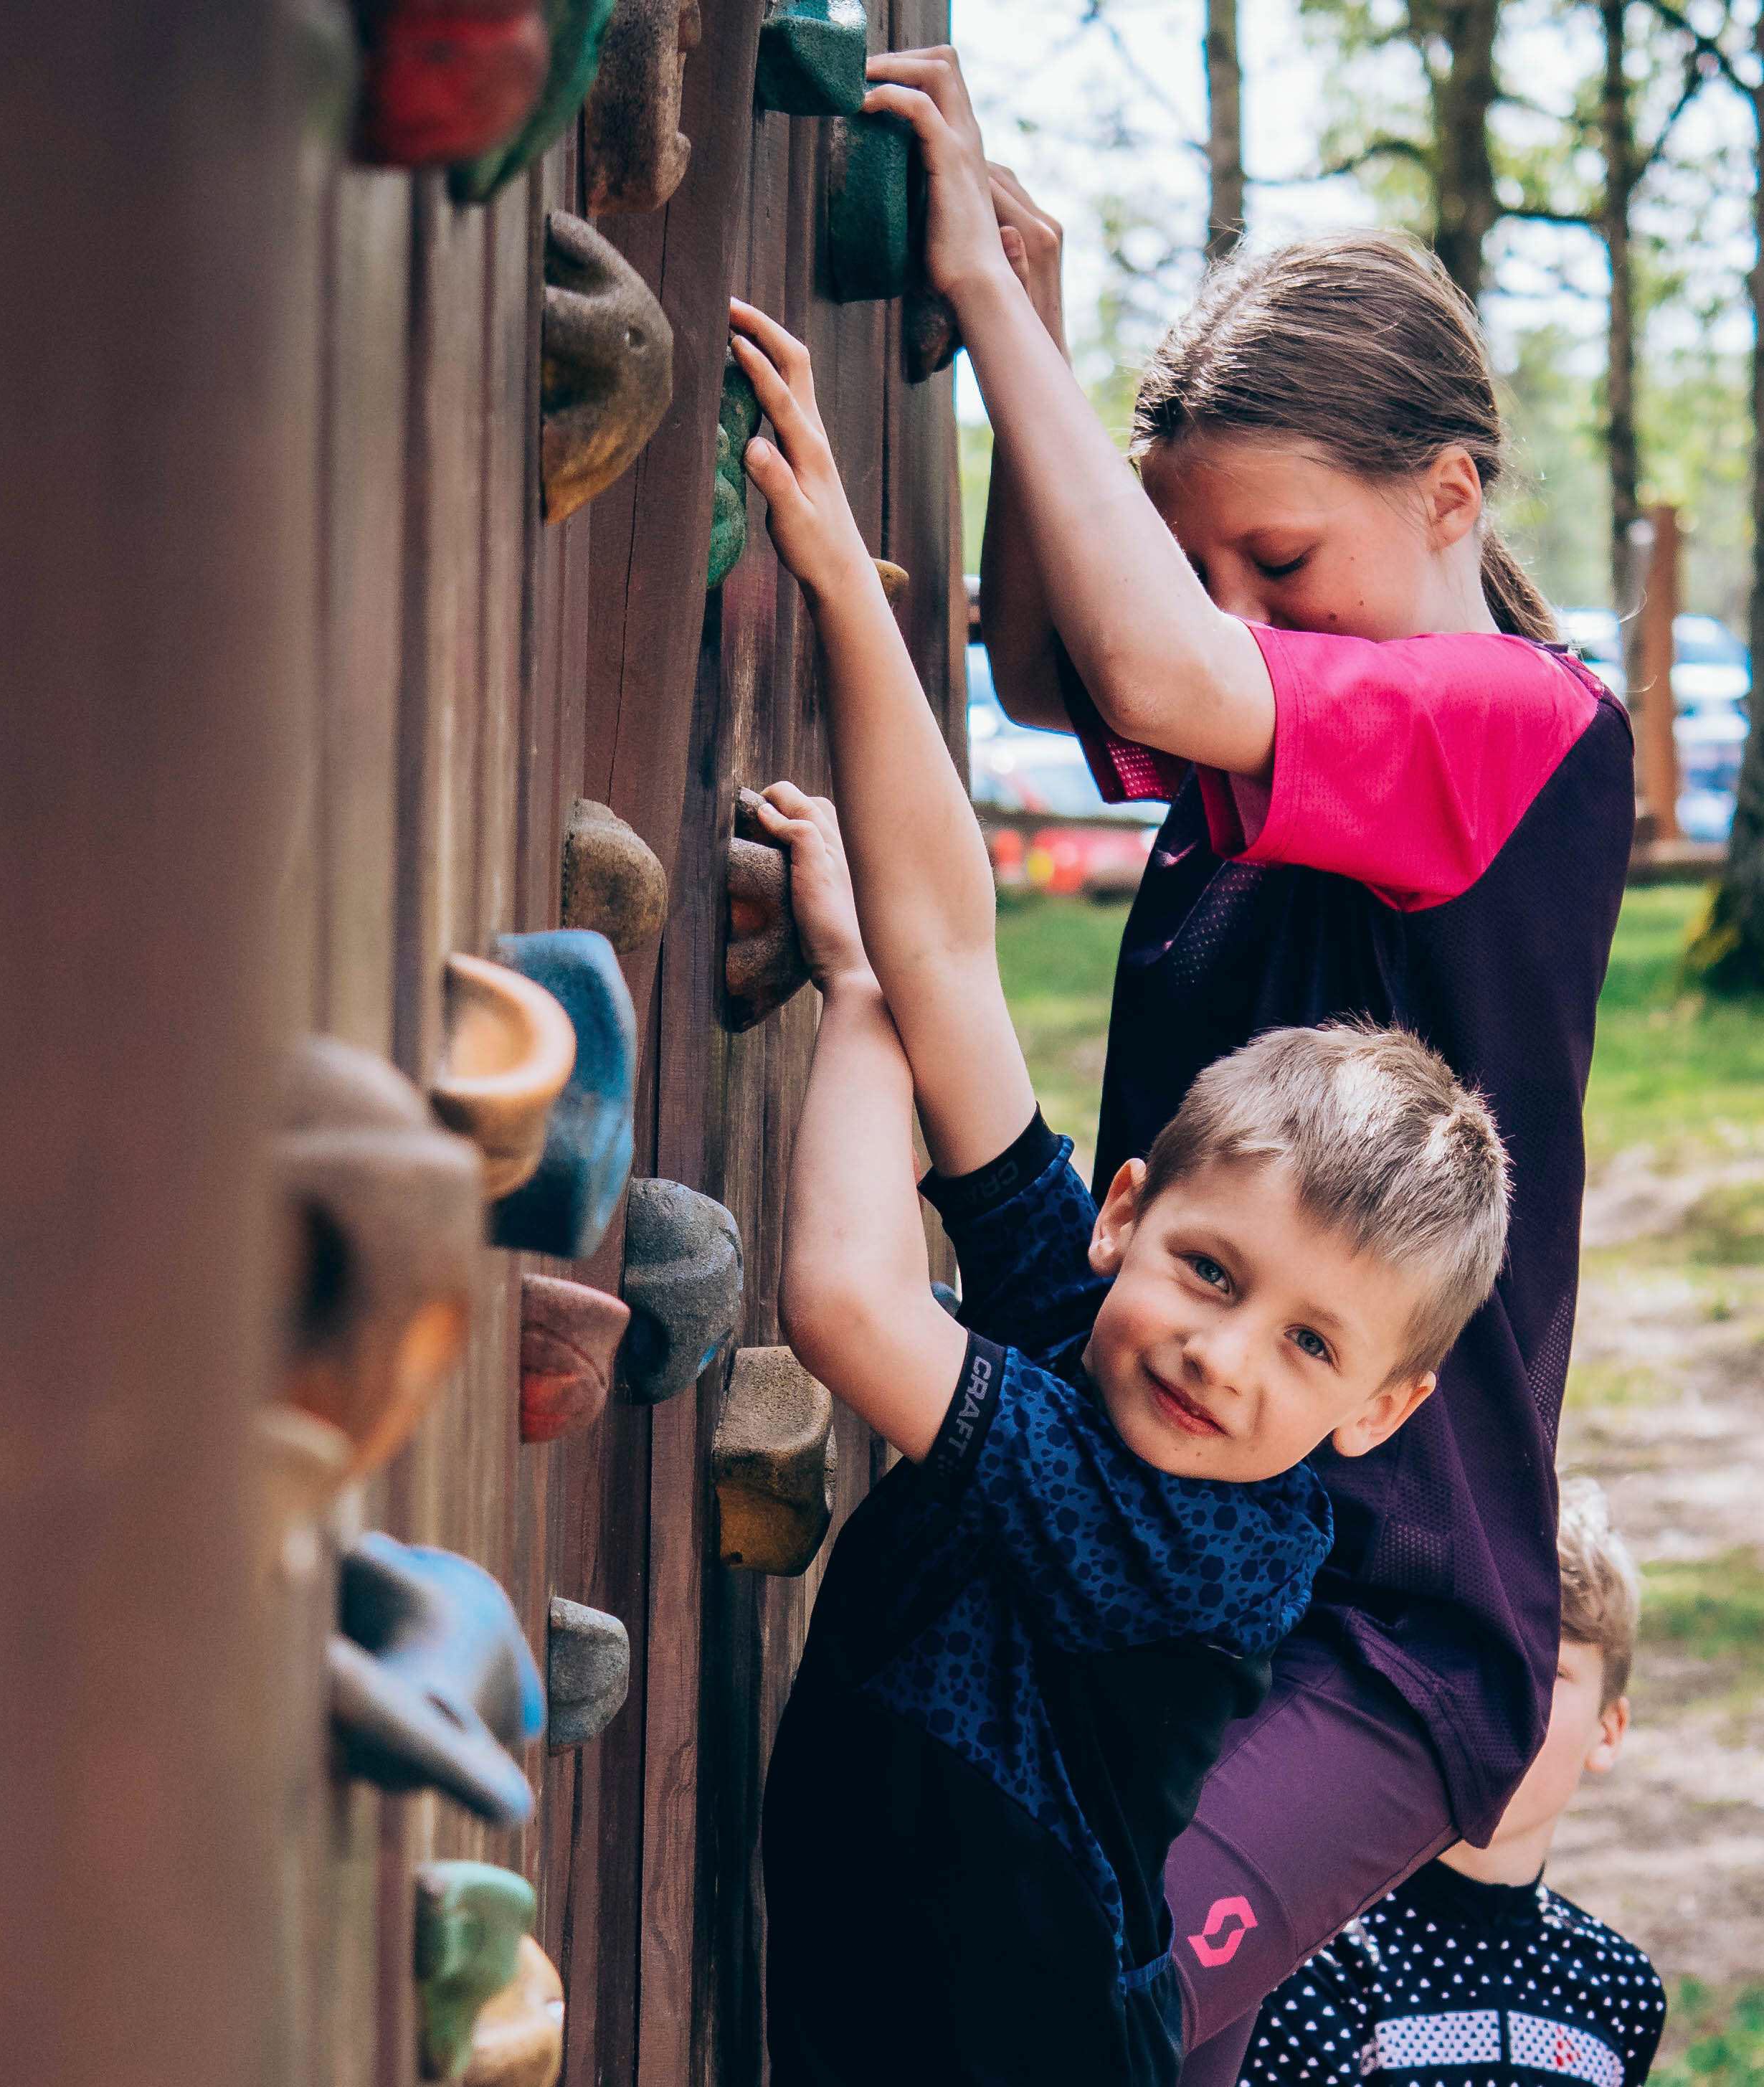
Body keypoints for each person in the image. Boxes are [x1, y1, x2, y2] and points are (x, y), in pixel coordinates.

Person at [858, 49, 1636, 2080]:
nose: (1233, 610)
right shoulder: (1274, 749)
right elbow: (1053, 667)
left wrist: (1003, 308)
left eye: (1276, 562)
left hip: (1386, 1624)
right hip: (1190, 1521)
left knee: (1097, 1999)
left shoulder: (1513, 718)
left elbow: (1131, 666)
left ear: (1451, 494)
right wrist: (996, 312)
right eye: (1198, 561)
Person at [724, 294, 1515, 2087]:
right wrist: (849, 585)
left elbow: (850, 1301)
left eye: (1310, 1342)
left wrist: (858, 1004)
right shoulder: (1090, 1336)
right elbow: (957, 949)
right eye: (1216, 1273)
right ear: (1124, 1212)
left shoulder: (1197, 1533)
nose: (1227, 1353)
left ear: (1381, 1407)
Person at [1236, 1474, 1665, 2086]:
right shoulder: (1315, 1962)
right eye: (1482, 1667)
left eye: (1549, 1674)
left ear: (1609, 1730)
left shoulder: (1621, 1988)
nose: (1506, 1712)